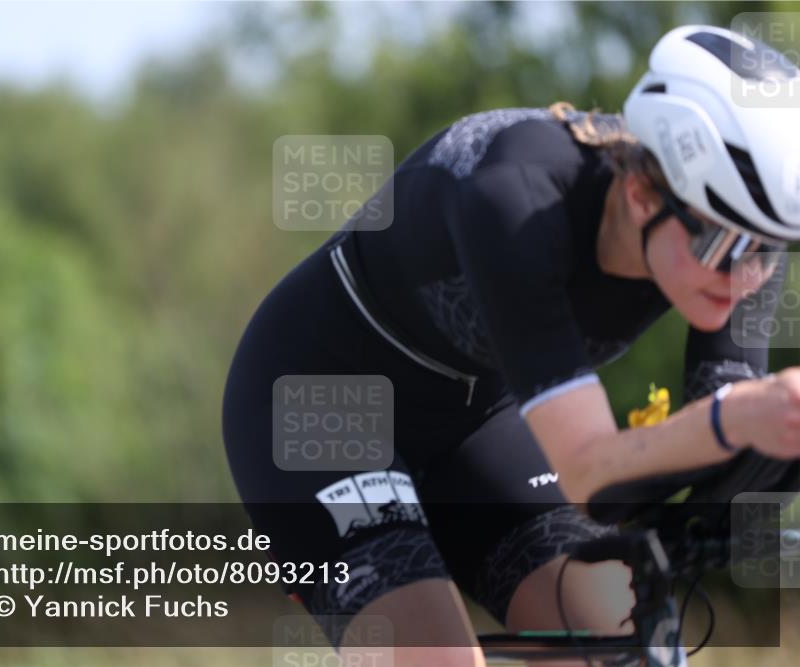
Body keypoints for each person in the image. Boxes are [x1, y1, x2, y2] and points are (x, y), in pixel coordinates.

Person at [222, 24, 800, 667]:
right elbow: (589, 470)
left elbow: (729, 442)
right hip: (321, 398)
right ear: (642, 194)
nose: (744, 278)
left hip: (476, 421)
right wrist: (739, 418)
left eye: (768, 248)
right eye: (722, 246)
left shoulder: (735, 236)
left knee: (627, 653)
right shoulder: (514, 195)